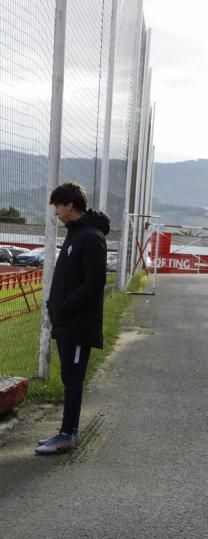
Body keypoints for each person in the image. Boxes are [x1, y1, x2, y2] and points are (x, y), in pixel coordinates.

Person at [35, 183, 110, 456]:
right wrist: (53, 305)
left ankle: (68, 435)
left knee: (73, 378)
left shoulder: (90, 236)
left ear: (69, 205)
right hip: (67, 322)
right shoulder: (76, 234)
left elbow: (94, 282)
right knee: (69, 377)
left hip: (78, 325)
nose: (55, 211)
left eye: (58, 206)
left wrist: (65, 307)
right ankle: (65, 431)